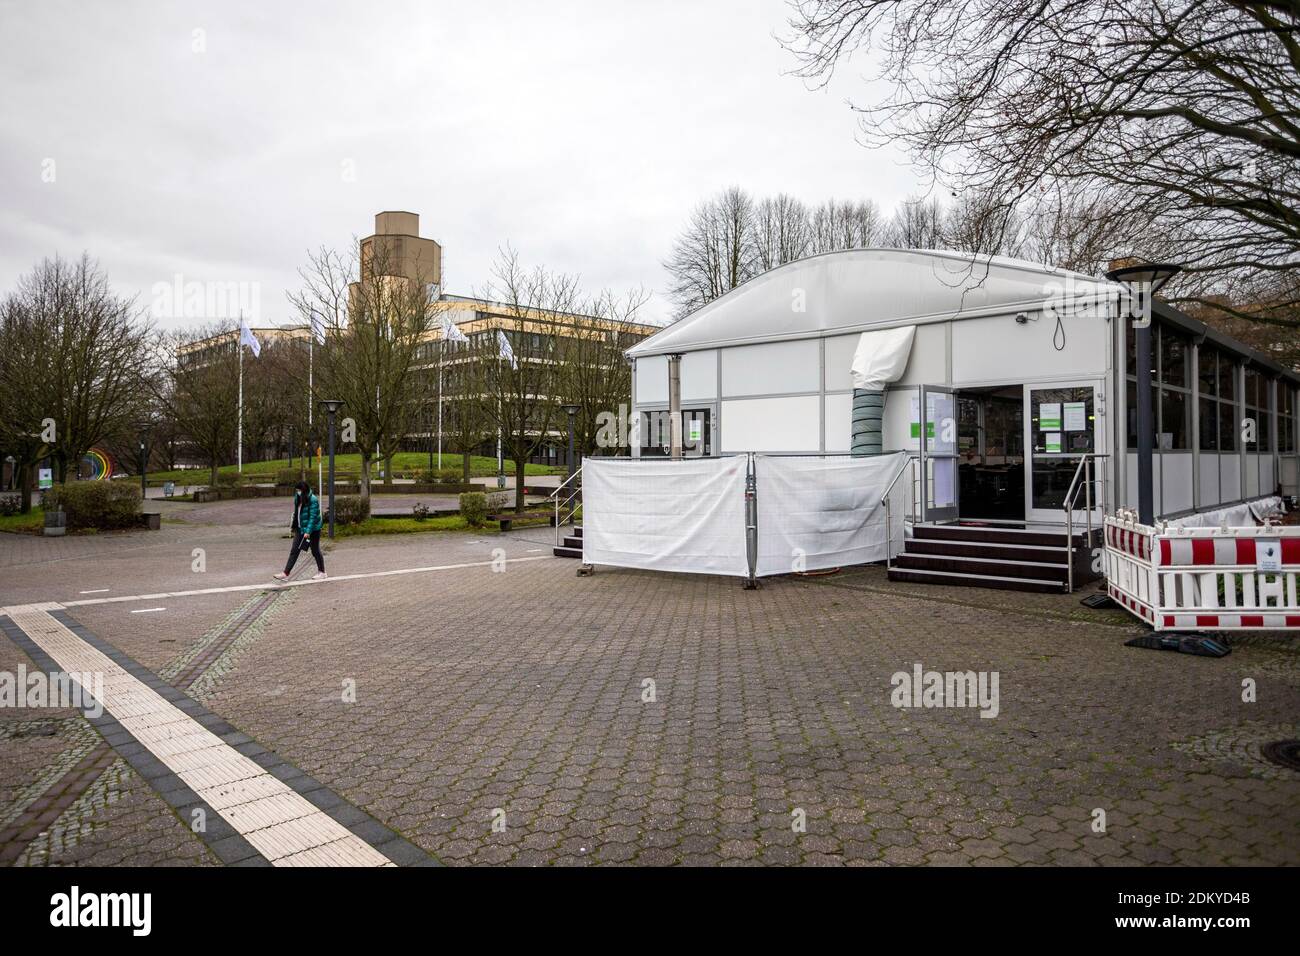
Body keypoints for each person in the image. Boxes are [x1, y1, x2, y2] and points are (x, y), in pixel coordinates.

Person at [274, 480, 326, 580]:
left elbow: (313, 517)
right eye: (297, 490)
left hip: (313, 529)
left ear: (304, 490)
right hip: (300, 528)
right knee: (294, 550)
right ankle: (285, 573)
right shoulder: (298, 498)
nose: (297, 492)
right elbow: (297, 513)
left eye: (299, 490)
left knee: (315, 550)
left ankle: (322, 572)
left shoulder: (313, 499)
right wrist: (294, 526)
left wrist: (308, 531)